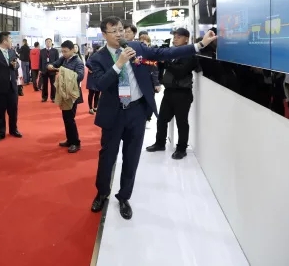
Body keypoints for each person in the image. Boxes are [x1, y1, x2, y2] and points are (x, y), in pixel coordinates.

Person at [87, 16, 216, 220]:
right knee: (107, 157)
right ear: (104, 35)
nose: (119, 34)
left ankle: (124, 197)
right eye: (114, 31)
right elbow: (100, 84)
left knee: (132, 157)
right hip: (114, 114)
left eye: (121, 29)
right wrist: (119, 64)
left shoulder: (136, 47)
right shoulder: (96, 58)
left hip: (137, 111)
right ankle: (102, 193)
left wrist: (199, 45)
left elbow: (165, 53)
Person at [145, 28, 198, 159]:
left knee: (181, 122)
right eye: (174, 37)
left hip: (182, 93)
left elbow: (181, 71)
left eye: (178, 37)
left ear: (186, 39)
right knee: (162, 119)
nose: (175, 39)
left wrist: (166, 62)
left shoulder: (189, 54)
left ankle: (181, 149)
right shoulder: (172, 53)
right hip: (169, 91)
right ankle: (160, 143)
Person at [47, 40, 85, 153]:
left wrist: (64, 72)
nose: (64, 53)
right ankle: (70, 140)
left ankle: (76, 143)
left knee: (70, 119)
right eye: (62, 51)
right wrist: (51, 66)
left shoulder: (78, 62)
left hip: (72, 93)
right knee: (66, 118)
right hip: (64, 92)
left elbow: (80, 76)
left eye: (66, 51)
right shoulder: (64, 59)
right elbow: (54, 64)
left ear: (73, 50)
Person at [0, 31, 22, 142]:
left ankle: (13, 130)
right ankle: (1, 132)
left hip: (12, 86)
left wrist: (15, 65)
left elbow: (17, 64)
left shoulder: (12, 51)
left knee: (13, 110)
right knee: (0, 111)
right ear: (5, 41)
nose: (12, 41)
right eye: (10, 39)